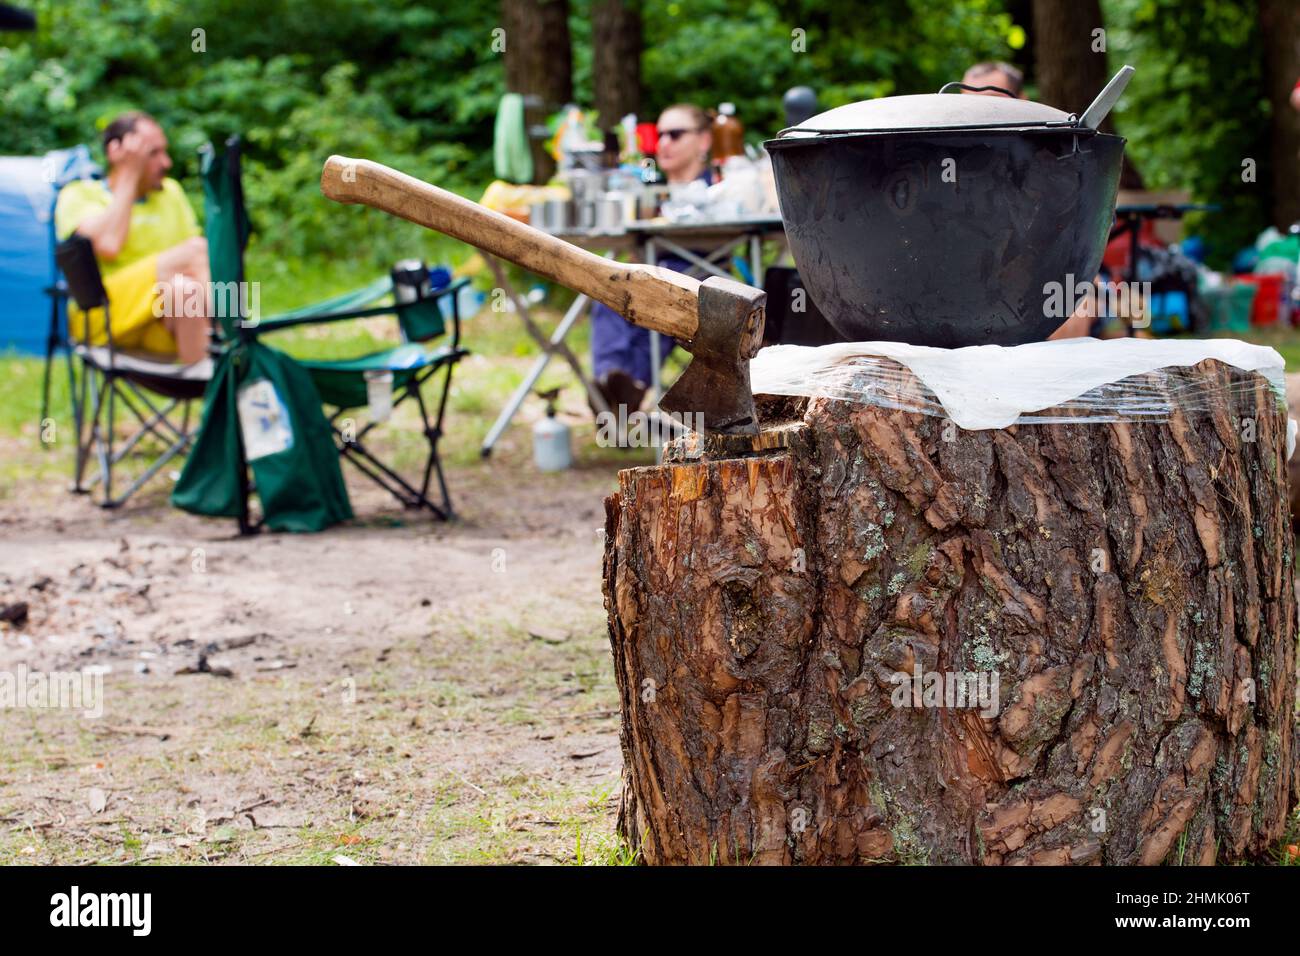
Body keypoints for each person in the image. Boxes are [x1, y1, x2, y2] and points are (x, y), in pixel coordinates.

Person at [55, 111, 210, 363]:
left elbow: (200, 270)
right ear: (116, 152)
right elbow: (109, 245)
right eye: (152, 153)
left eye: (164, 151)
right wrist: (129, 174)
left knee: (186, 291)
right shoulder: (79, 195)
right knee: (196, 250)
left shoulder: (170, 193)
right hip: (104, 319)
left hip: (158, 326)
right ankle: (237, 334)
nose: (166, 163)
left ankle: (209, 387)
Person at [590, 103, 713, 415]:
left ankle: (622, 392)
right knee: (606, 285)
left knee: (657, 297)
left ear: (704, 140)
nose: (664, 143)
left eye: (675, 134)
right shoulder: (648, 190)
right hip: (649, 272)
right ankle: (609, 379)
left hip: (702, 276)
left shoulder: (722, 186)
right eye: (660, 135)